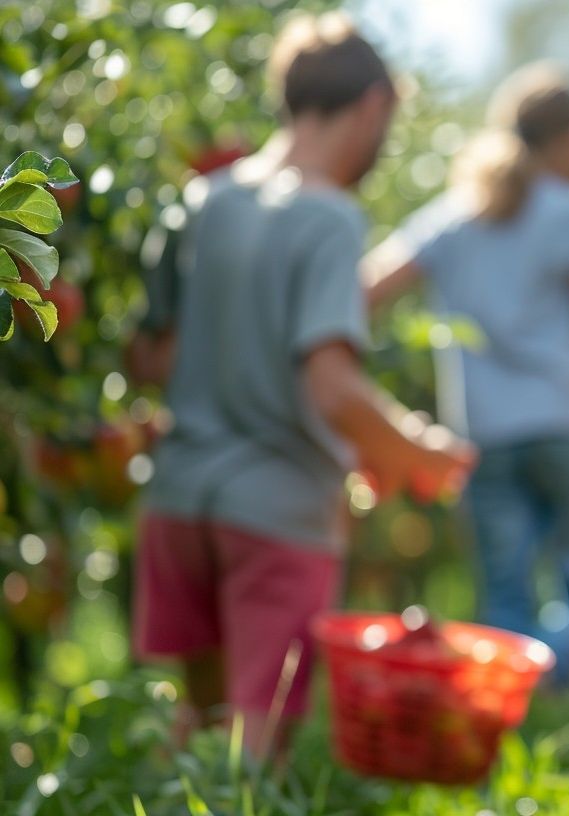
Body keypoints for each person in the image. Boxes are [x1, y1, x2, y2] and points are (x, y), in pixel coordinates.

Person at [126, 13, 476, 757]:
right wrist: (417, 449)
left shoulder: (202, 201)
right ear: (375, 105)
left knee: (196, 735)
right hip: (276, 514)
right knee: (257, 747)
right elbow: (334, 389)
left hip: (179, 498)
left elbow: (148, 359)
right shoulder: (328, 219)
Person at [363, 63, 569, 685]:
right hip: (567, 423)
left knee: (504, 597)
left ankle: (504, 707)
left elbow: (366, 289)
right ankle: (549, 678)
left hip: (484, 435)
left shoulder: (454, 214)